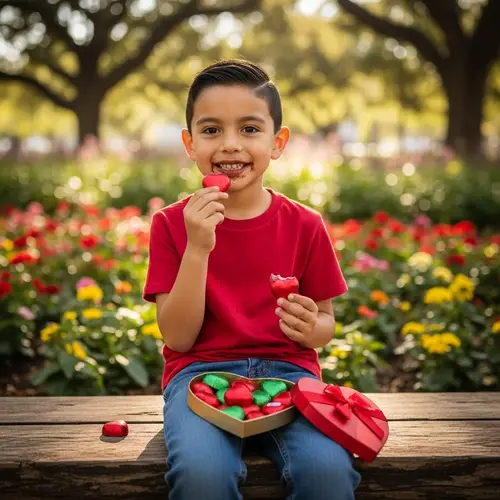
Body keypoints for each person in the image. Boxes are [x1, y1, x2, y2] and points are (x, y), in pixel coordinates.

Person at [143, 59, 361, 500]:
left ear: (277, 142)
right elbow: (179, 338)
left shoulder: (305, 225)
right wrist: (198, 247)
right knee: (202, 476)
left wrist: (309, 326)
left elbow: (325, 325)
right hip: (199, 374)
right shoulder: (171, 224)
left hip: (291, 375)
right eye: (210, 131)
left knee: (328, 472)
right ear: (189, 144)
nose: (229, 146)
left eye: (249, 129)